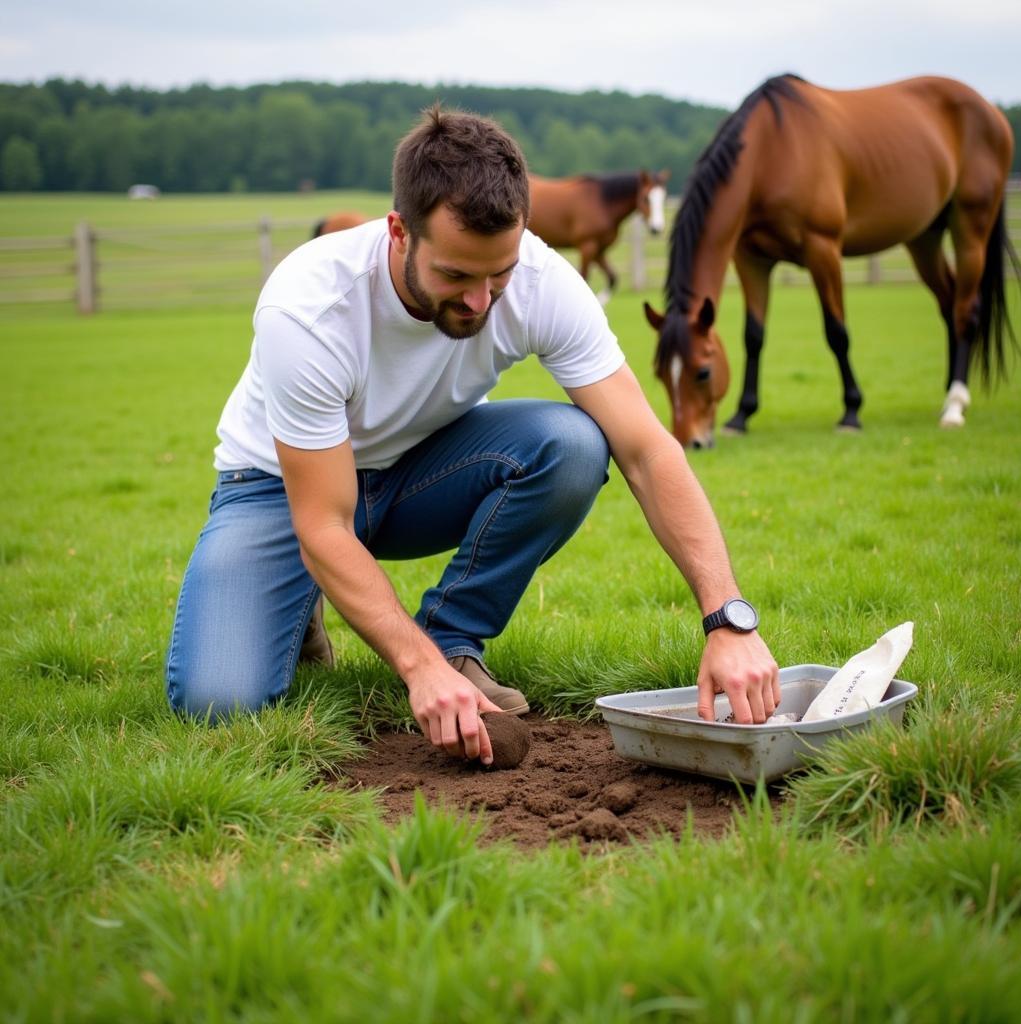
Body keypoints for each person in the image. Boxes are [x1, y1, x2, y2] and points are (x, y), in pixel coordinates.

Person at [166, 106, 779, 766]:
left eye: (500, 273)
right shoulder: (309, 307)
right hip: (281, 493)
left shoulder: (541, 281)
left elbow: (648, 450)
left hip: (419, 471)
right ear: (399, 231)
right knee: (217, 701)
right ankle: (309, 604)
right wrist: (412, 670)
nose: (482, 301)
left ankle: (452, 641)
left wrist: (727, 618)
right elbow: (322, 523)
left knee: (572, 444)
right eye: (456, 275)